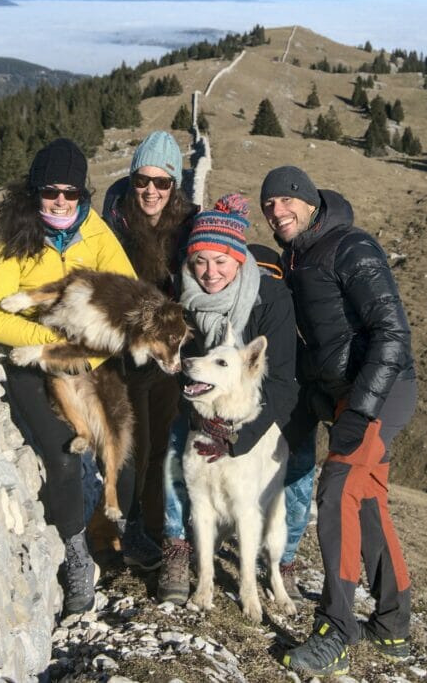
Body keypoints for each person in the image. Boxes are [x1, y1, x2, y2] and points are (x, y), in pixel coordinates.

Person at [0, 137, 161, 616]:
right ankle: (78, 557)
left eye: (72, 193)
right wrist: (51, 347)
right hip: (32, 362)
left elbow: (126, 303)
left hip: (89, 361)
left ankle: (124, 530)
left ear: (83, 195)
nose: (61, 201)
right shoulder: (11, 238)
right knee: (64, 459)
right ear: (34, 192)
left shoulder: (97, 235)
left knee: (119, 446)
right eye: (51, 191)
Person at [259, 166, 418, 676]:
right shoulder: (296, 256)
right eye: (269, 206)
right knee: (367, 500)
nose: (277, 211)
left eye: (286, 201)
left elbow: (392, 333)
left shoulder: (351, 246)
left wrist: (362, 409)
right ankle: (392, 624)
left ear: (309, 203)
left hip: (380, 393)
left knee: (337, 493)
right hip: (346, 399)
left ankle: (336, 629)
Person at [157, 193, 316, 604]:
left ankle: (282, 563)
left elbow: (283, 381)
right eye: (200, 262)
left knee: (295, 473)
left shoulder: (270, 299)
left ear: (239, 259)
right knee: (176, 454)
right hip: (204, 406)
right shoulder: (184, 302)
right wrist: (203, 422)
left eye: (220, 261)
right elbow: (180, 366)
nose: (209, 273)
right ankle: (178, 548)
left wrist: (241, 439)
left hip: (266, 408)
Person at [102, 131, 198, 539]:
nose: (151, 191)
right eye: (142, 180)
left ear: (173, 185)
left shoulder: (189, 225)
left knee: (160, 445)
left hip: (167, 357)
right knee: (127, 446)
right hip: (122, 355)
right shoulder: (116, 219)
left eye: (162, 182)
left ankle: (154, 530)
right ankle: (119, 527)